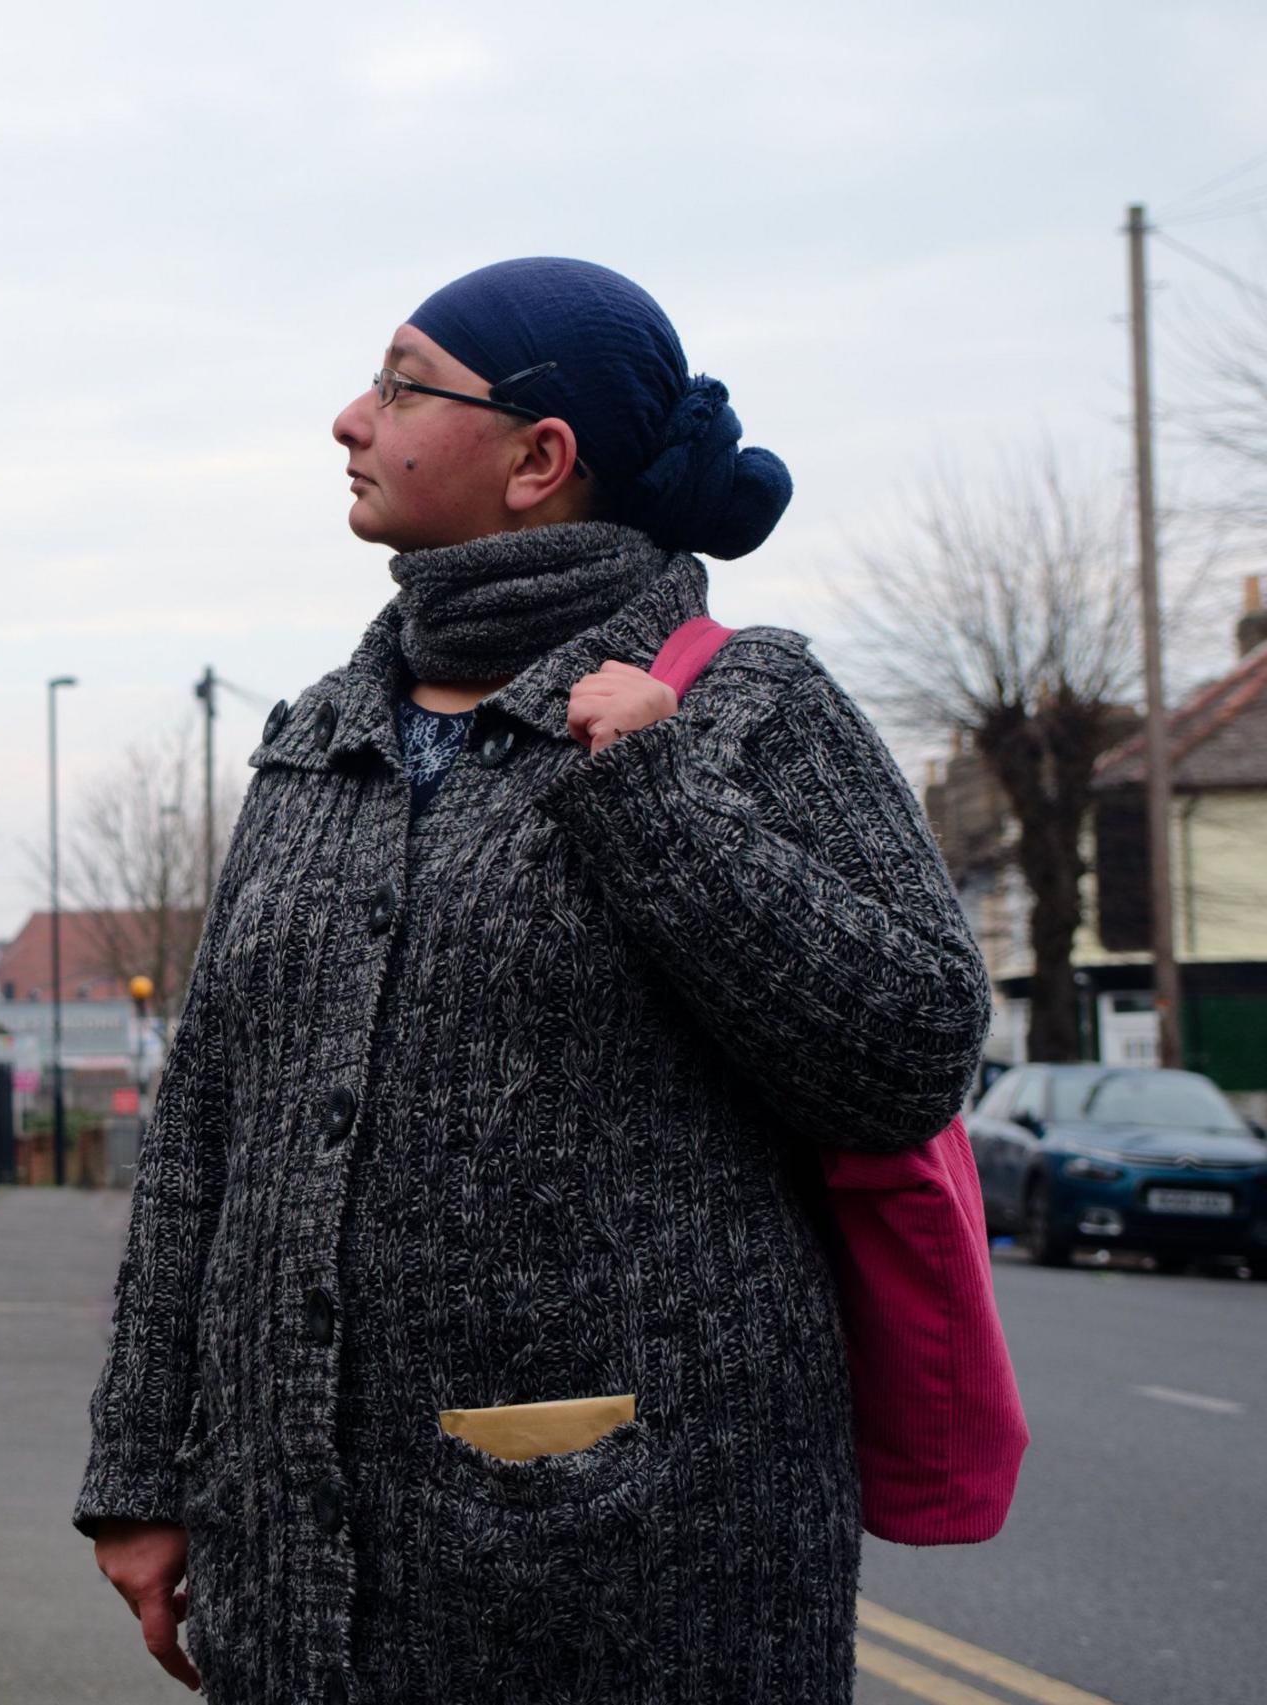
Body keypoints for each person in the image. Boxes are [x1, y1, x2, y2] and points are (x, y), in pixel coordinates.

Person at [76, 258, 991, 1703]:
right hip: (298, 1575)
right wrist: (141, 1470)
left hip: (646, 1571)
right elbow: (202, 1136)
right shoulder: (317, 735)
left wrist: (657, 790)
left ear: (537, 460)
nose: (347, 420)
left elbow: (910, 1047)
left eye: (398, 384)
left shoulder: (747, 708)